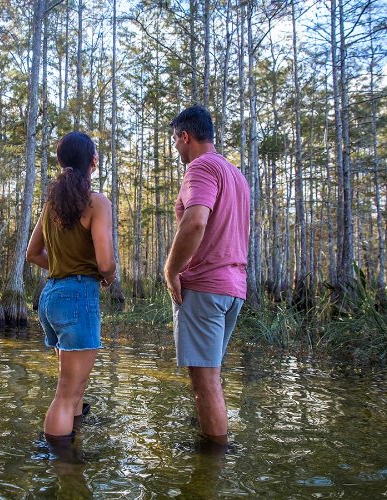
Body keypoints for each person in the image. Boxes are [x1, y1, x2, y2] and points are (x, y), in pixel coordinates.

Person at [163, 105, 250, 446]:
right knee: (211, 377)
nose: (176, 147)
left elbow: (196, 220)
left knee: (205, 381)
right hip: (233, 288)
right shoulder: (235, 174)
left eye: (175, 140)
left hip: (204, 287)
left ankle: (212, 463)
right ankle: (216, 448)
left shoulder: (200, 167)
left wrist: (171, 271)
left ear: (185, 136)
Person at [26, 131, 116, 444]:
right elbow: (105, 263)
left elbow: (33, 254)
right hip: (78, 297)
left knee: (75, 386)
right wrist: (108, 277)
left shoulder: (52, 205)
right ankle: (58, 463)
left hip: (51, 297)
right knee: (66, 393)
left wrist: (64, 265)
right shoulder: (97, 203)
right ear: (93, 162)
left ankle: (73, 437)